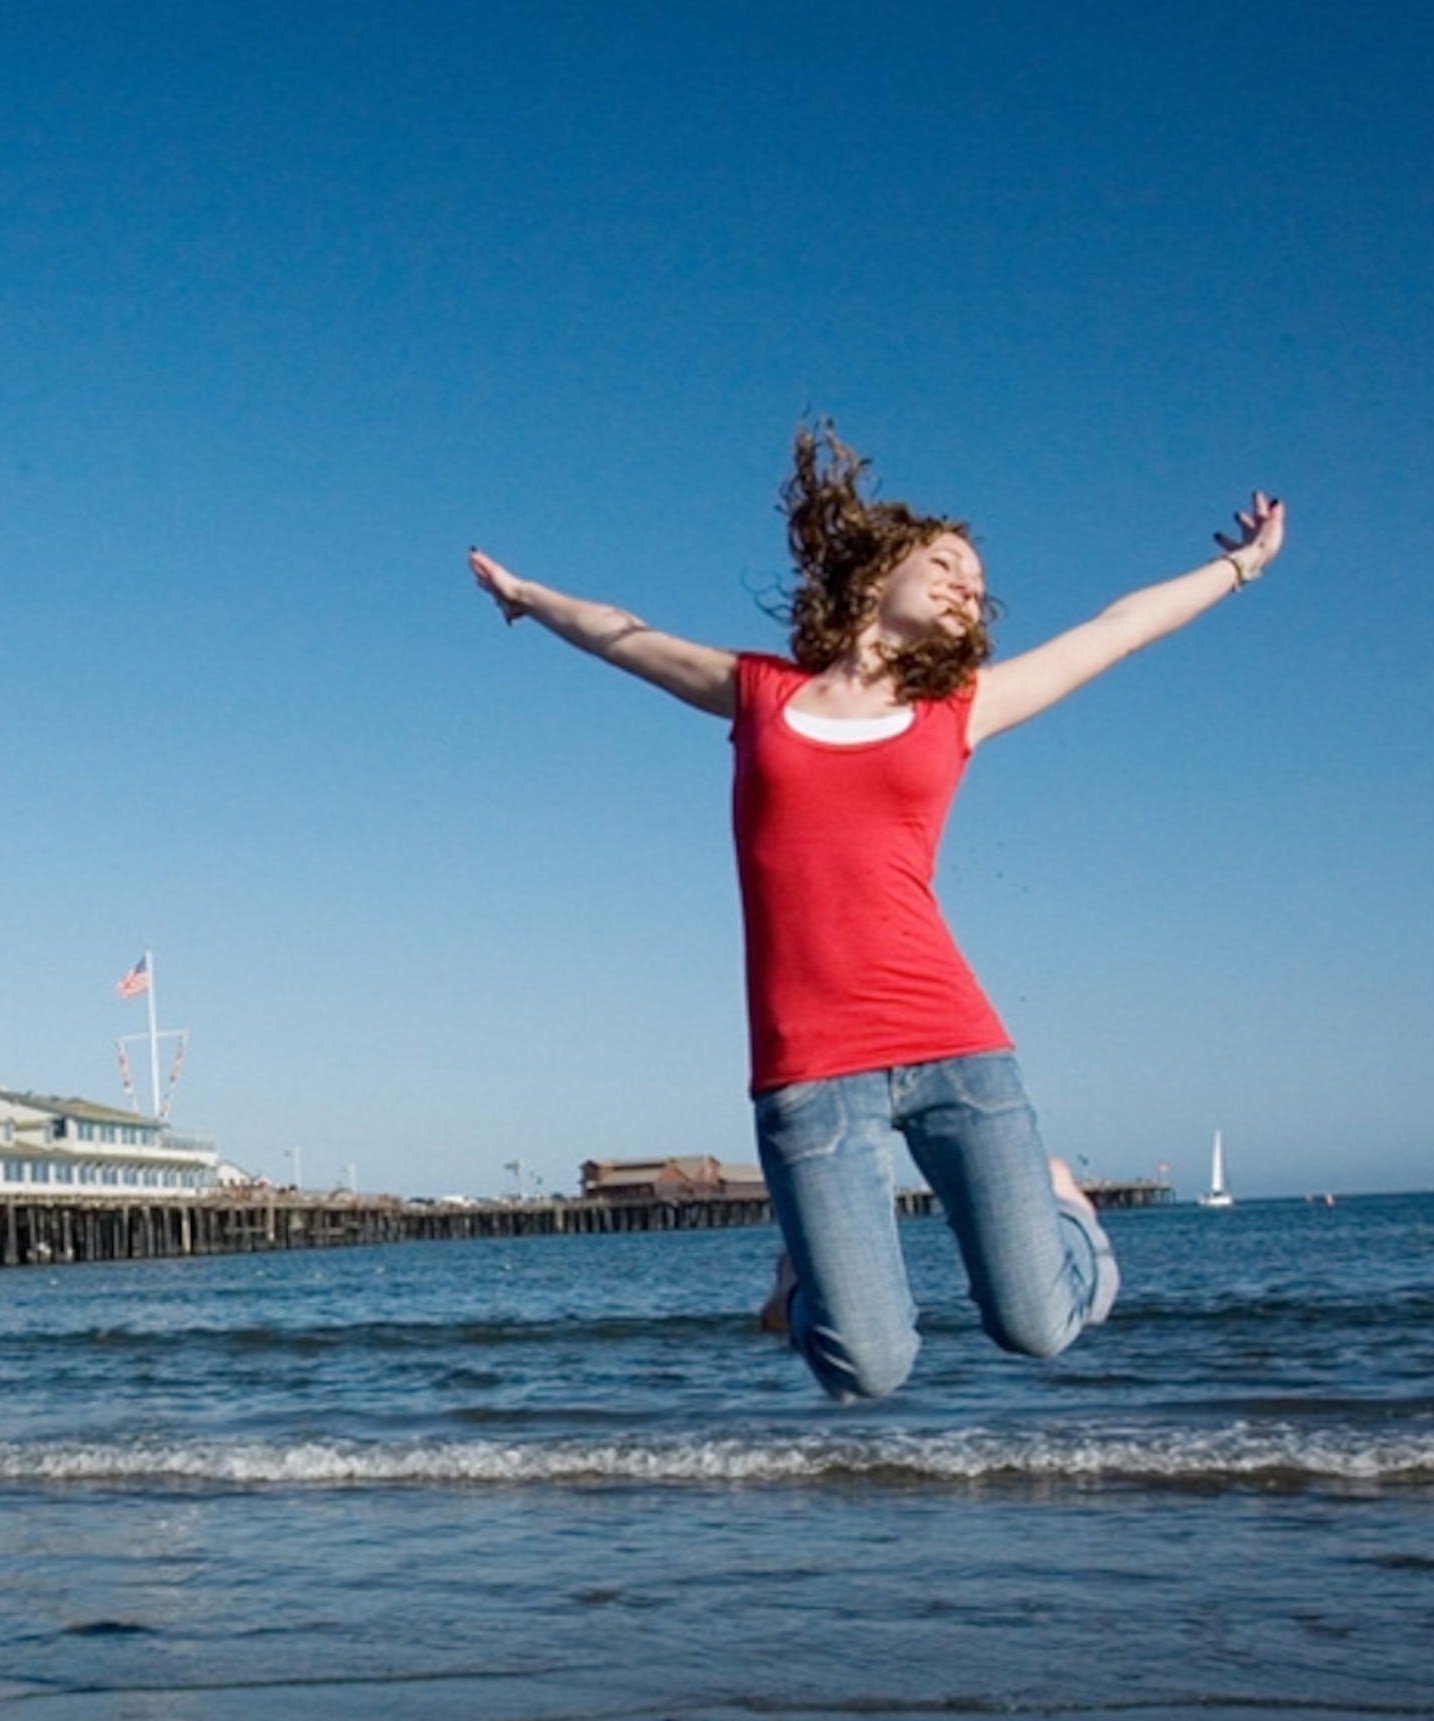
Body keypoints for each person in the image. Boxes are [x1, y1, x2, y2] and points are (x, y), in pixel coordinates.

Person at [467, 426, 1284, 1399]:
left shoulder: (959, 709)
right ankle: (796, 1279)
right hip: (811, 1069)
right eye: (945, 564)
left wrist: (1237, 568)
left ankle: (1063, 1205)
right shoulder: (759, 694)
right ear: (874, 572)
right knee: (870, 1367)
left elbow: (1113, 630)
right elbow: (623, 630)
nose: (965, 586)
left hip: (954, 1049)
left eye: (977, 582)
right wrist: (527, 597)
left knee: (1038, 1326)